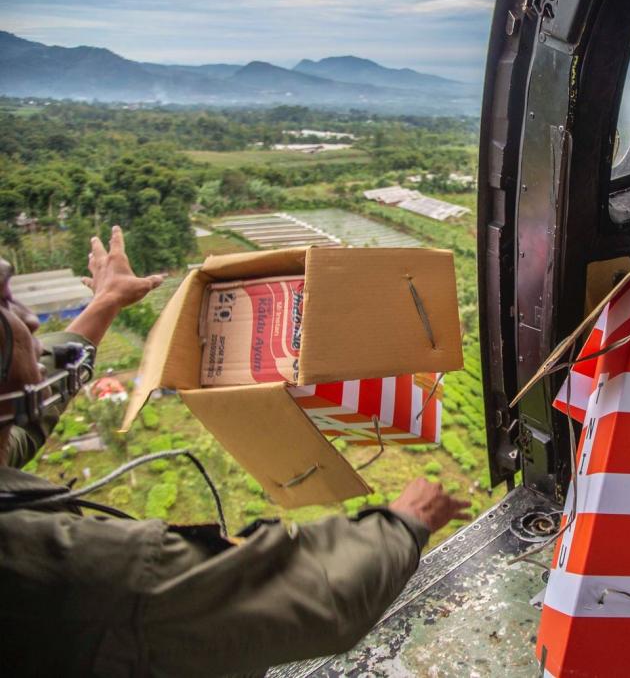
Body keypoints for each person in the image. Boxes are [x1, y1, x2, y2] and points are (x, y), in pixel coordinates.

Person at [0, 226, 470, 675]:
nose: (29, 319)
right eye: (6, 305)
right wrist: (403, 522)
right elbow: (317, 595)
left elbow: (27, 413)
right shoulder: (61, 566)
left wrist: (104, 304)